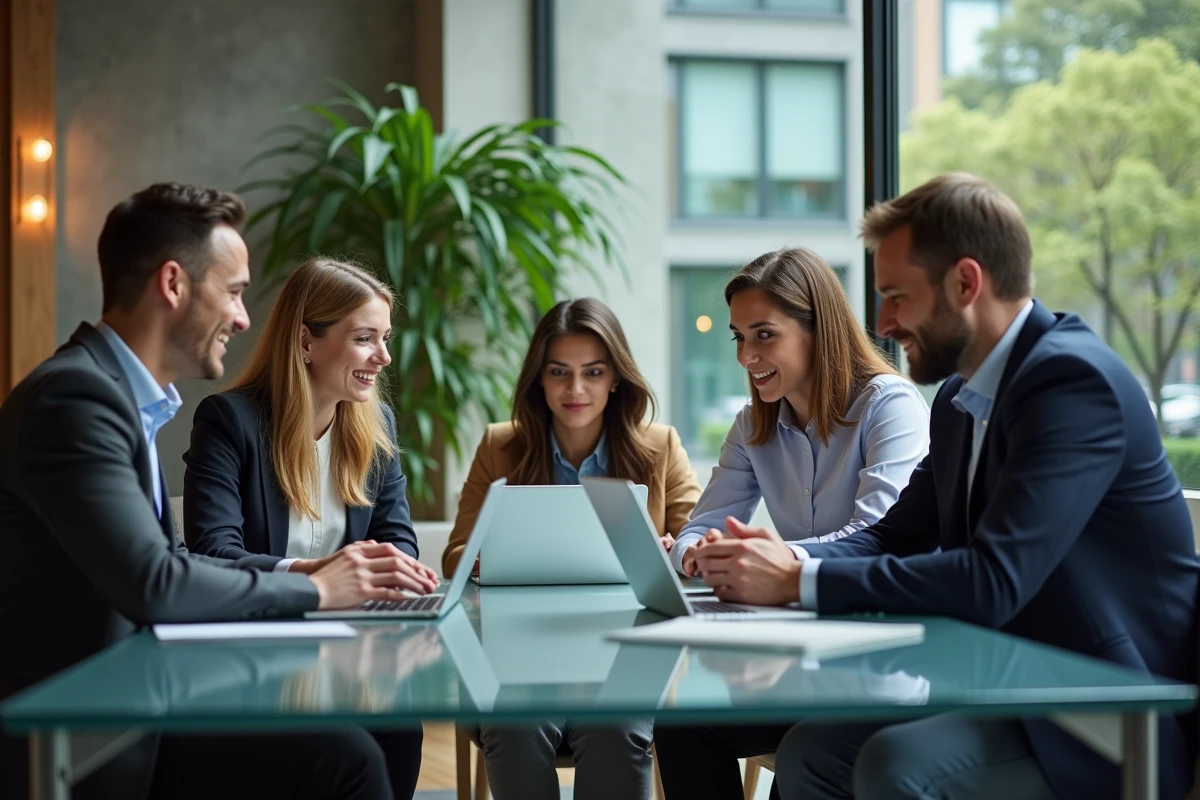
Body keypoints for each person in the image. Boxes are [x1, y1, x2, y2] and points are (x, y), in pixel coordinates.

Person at [653, 173, 1200, 800]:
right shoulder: (963, 397)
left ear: (966, 283)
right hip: (994, 679)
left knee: (894, 765)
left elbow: (992, 579)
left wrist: (794, 580)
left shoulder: (1071, 383)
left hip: (1097, 708)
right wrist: (789, 560)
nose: (883, 320)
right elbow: (893, 532)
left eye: (897, 296)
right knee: (810, 753)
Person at [0, 183, 421, 800]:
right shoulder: (76, 399)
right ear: (173, 285)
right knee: (344, 761)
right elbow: (156, 583)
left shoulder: (118, 398)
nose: (244, 318)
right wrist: (314, 585)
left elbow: (164, 566)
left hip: (140, 697)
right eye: (233, 292)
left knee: (364, 744)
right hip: (86, 731)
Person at [183, 257, 439, 798]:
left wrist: (400, 572)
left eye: (385, 338)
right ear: (306, 340)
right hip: (255, 655)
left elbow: (397, 538)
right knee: (352, 748)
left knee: (400, 729)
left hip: (350, 650)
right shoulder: (230, 422)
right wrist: (315, 575)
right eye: (365, 338)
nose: (384, 357)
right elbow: (210, 553)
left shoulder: (376, 426)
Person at [442, 297, 702, 800]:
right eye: (559, 372)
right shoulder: (501, 445)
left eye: (593, 372)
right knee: (513, 725)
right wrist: (483, 555)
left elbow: (697, 547)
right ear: (539, 379)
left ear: (615, 379)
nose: (575, 389)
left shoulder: (660, 446)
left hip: (625, 662)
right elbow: (455, 556)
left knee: (618, 727)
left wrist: (677, 551)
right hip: (517, 658)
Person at [670, 247, 929, 584]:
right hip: (803, 613)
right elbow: (700, 529)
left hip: (887, 613)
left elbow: (877, 537)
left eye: (765, 335)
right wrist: (694, 554)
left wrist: (774, 559)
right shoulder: (752, 424)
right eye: (739, 337)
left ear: (820, 331)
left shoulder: (890, 405)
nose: (745, 356)